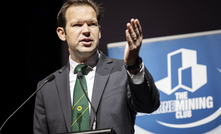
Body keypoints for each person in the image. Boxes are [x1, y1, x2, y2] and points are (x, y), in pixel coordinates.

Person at [33, 0, 160, 134]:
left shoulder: (123, 71)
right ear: (61, 33)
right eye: (77, 25)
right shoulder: (47, 87)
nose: (86, 30)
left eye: (92, 24)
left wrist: (133, 65)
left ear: (99, 31)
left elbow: (149, 105)